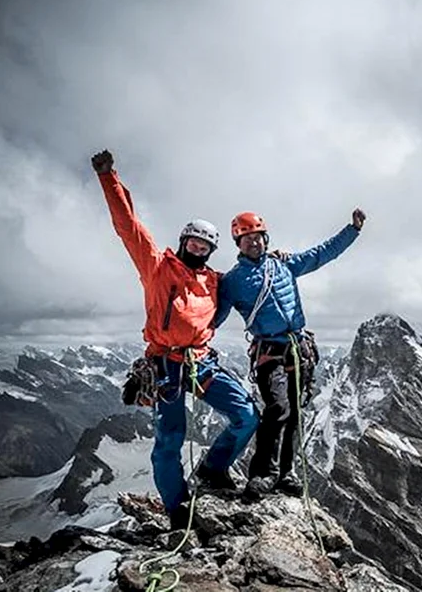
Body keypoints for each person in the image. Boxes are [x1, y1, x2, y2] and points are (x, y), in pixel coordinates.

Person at [91, 149, 259, 529]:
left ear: (211, 251)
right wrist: (108, 178)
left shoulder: (213, 280)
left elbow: (249, 276)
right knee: (170, 440)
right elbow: (127, 226)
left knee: (247, 415)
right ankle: (177, 509)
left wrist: (271, 258)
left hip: (201, 361)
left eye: (205, 247)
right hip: (166, 363)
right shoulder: (157, 266)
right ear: (183, 240)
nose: (198, 249)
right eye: (194, 243)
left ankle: (212, 470)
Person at [214, 208, 365, 498]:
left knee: (294, 414)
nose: (253, 243)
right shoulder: (232, 282)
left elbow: (321, 254)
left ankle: (286, 473)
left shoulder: (283, 265)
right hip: (269, 351)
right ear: (238, 245)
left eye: (257, 237)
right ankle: (262, 474)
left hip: (298, 349)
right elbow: (216, 317)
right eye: (246, 239)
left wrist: (352, 230)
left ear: (265, 239)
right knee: (277, 409)